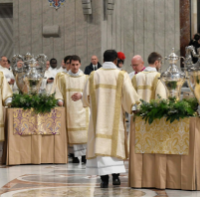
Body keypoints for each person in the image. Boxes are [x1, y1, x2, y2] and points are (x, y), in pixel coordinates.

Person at [82, 50, 140, 188]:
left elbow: (86, 97)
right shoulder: (121, 75)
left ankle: (103, 180)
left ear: (103, 59)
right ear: (115, 60)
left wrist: (95, 105)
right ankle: (115, 177)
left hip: (98, 119)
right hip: (114, 119)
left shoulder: (94, 75)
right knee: (115, 146)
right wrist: (134, 106)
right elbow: (129, 94)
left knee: (100, 147)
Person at [53, 55, 89, 164]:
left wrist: (82, 95)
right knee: (72, 134)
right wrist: (59, 100)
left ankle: (83, 155)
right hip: (70, 110)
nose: (75, 67)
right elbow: (58, 90)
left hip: (83, 109)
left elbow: (90, 92)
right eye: (73, 64)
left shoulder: (86, 78)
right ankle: (73, 155)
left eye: (77, 64)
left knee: (83, 134)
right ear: (69, 64)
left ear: (80, 64)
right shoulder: (64, 78)